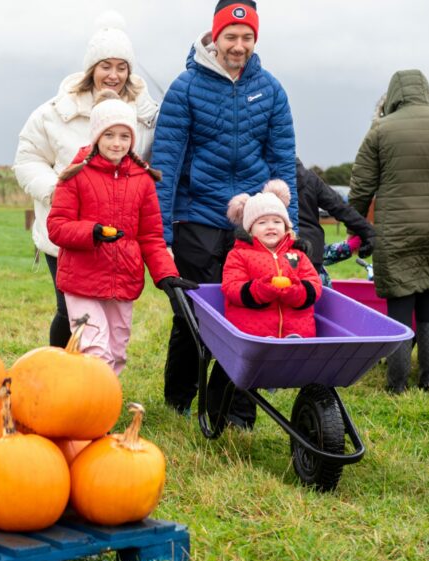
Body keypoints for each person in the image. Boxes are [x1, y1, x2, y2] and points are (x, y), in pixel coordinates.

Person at [150, 0, 297, 428]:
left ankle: (234, 408)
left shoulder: (270, 90)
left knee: (249, 312)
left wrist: (292, 234)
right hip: (196, 217)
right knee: (194, 313)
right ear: (214, 37)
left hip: (251, 224)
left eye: (246, 37)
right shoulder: (186, 88)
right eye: (230, 37)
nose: (238, 45)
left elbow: (283, 162)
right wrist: (162, 234)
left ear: (255, 39)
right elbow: (166, 162)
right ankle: (180, 395)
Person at [13, 11, 160, 348]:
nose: (113, 75)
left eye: (121, 67)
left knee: (106, 313)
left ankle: (96, 377)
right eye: (105, 66)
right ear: (91, 68)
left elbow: (144, 162)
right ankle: (57, 371)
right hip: (65, 229)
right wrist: (56, 191)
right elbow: (28, 157)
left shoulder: (144, 114)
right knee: (70, 309)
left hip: (115, 235)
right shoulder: (56, 111)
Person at [47, 91, 197, 375]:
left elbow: (151, 237)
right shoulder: (75, 174)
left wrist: (167, 275)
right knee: (96, 350)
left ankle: (103, 406)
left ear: (133, 140)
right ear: (96, 137)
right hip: (82, 281)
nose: (117, 143)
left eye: (124, 136)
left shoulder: (142, 179)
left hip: (122, 280)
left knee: (116, 353)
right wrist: (92, 232)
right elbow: (57, 226)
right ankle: (90, 414)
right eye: (109, 135)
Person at [348, 69, 429, 394]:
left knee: (400, 305)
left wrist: (354, 224)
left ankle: (397, 384)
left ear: (394, 94)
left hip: (397, 232)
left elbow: (361, 185)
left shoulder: (381, 130)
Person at [223, 180, 321, 339]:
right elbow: (231, 286)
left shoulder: (297, 254)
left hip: (298, 332)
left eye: (277, 221)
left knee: (297, 361)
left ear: (286, 227)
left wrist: (297, 291)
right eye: (262, 222)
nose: (271, 227)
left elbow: (314, 283)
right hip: (253, 331)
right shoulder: (239, 254)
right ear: (250, 230)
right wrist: (258, 290)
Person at [295, 158, 376, 287]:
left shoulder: (258, 178)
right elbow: (339, 206)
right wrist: (367, 232)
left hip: (272, 262)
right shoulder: (309, 178)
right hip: (311, 259)